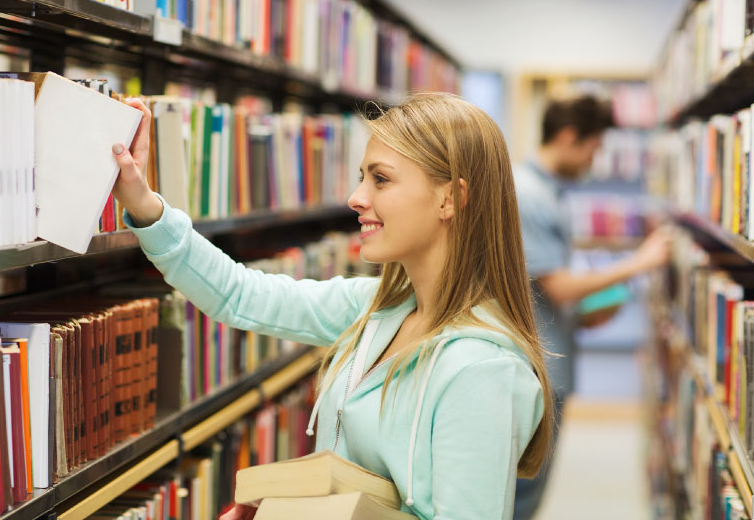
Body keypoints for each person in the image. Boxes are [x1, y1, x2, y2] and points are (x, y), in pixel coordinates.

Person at [112, 93, 554, 520]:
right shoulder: (376, 310)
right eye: (363, 176)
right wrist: (143, 202)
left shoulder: (481, 369)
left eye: (380, 179)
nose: (356, 198)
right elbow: (239, 295)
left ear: (450, 199)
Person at [512, 95, 671, 520]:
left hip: (548, 361)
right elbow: (560, 288)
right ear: (568, 138)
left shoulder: (549, 192)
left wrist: (590, 311)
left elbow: (539, 290)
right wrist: (638, 262)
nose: (594, 161)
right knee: (519, 497)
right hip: (536, 371)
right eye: (594, 148)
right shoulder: (528, 195)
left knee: (528, 493)